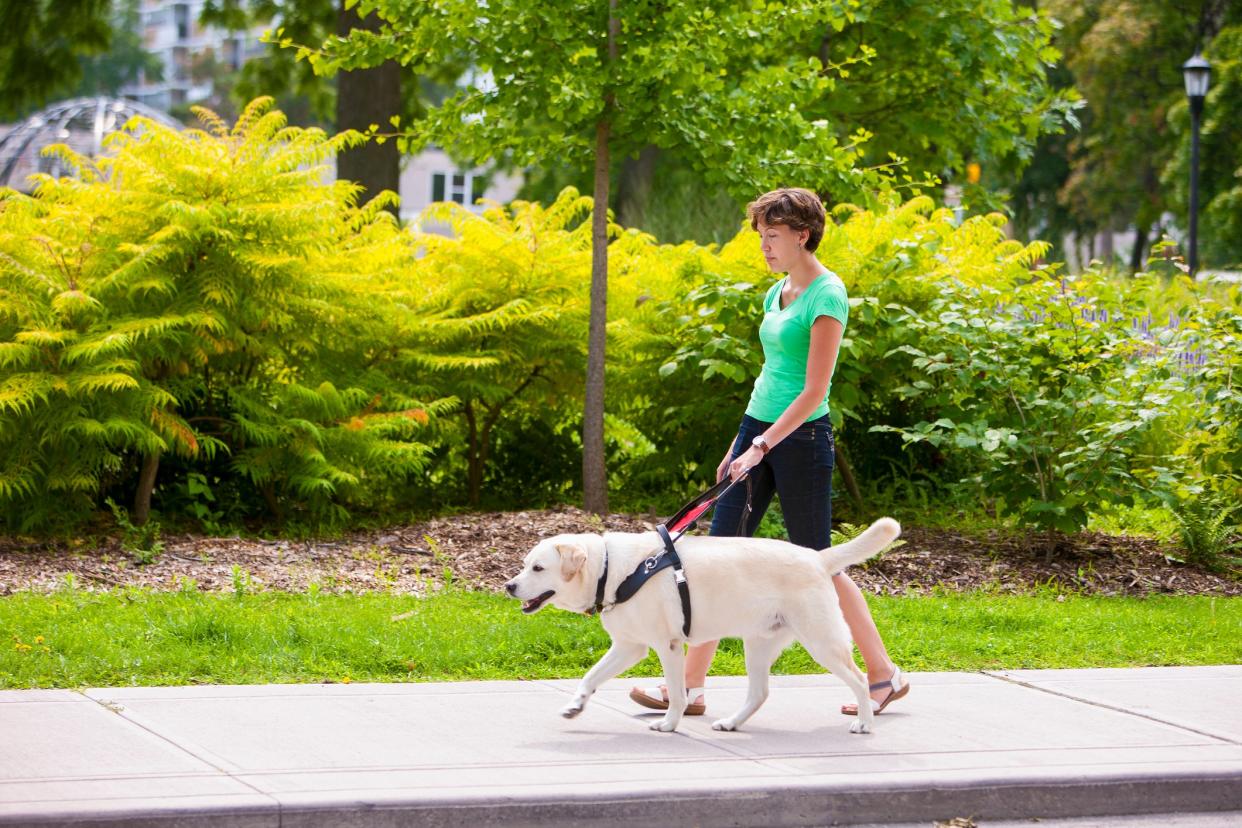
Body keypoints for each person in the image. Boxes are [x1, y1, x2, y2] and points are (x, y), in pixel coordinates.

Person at [630, 187, 908, 718]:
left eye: (774, 236)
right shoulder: (777, 291)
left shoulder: (828, 295)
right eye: (762, 236)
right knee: (716, 555)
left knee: (819, 564)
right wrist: (739, 442)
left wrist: (761, 446)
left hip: (800, 441)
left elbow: (813, 391)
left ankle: (882, 674)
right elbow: (770, 375)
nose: (765, 246)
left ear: (803, 235)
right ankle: (689, 687)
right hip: (757, 433)